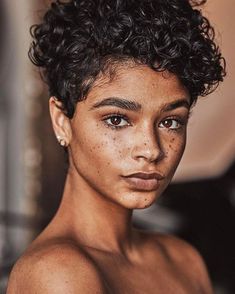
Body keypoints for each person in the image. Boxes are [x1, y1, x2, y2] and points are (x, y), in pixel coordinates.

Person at [7, 0, 225, 293]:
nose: (151, 150)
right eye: (117, 119)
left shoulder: (183, 260)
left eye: (170, 122)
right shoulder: (57, 274)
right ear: (61, 120)